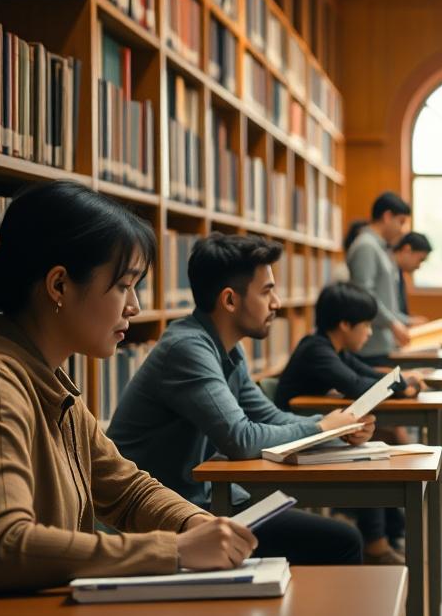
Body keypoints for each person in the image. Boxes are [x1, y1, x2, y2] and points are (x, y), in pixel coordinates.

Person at [0, 181, 258, 593]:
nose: (135, 306)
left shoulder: (47, 383)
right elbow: (4, 548)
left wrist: (195, 524)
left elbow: (128, 491)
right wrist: (176, 550)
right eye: (124, 285)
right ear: (59, 285)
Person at [107, 233, 370, 565]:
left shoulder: (228, 348)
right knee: (342, 542)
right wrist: (320, 428)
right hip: (165, 515)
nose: (276, 303)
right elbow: (240, 439)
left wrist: (336, 429)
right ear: (230, 300)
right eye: (266, 291)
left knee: (335, 538)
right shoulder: (187, 349)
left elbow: (268, 417)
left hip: (203, 502)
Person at [276, 282, 431, 564]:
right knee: (370, 455)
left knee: (380, 442)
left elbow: (367, 373)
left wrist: (402, 381)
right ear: (345, 325)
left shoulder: (334, 349)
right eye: (366, 325)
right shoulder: (316, 349)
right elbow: (357, 385)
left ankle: (389, 531)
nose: (370, 332)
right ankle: (377, 543)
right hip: (292, 438)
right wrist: (403, 385)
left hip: (315, 429)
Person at [348, 191, 412, 365]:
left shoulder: (380, 247)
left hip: (382, 341)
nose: (402, 230)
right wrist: (392, 323)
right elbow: (364, 295)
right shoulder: (366, 246)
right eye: (401, 222)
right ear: (387, 216)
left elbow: (385, 298)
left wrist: (402, 321)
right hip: (370, 345)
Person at [391, 232, 432, 324]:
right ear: (407, 250)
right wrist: (408, 321)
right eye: (420, 260)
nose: (419, 266)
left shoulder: (398, 273)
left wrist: (410, 319)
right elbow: (386, 309)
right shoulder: (389, 271)